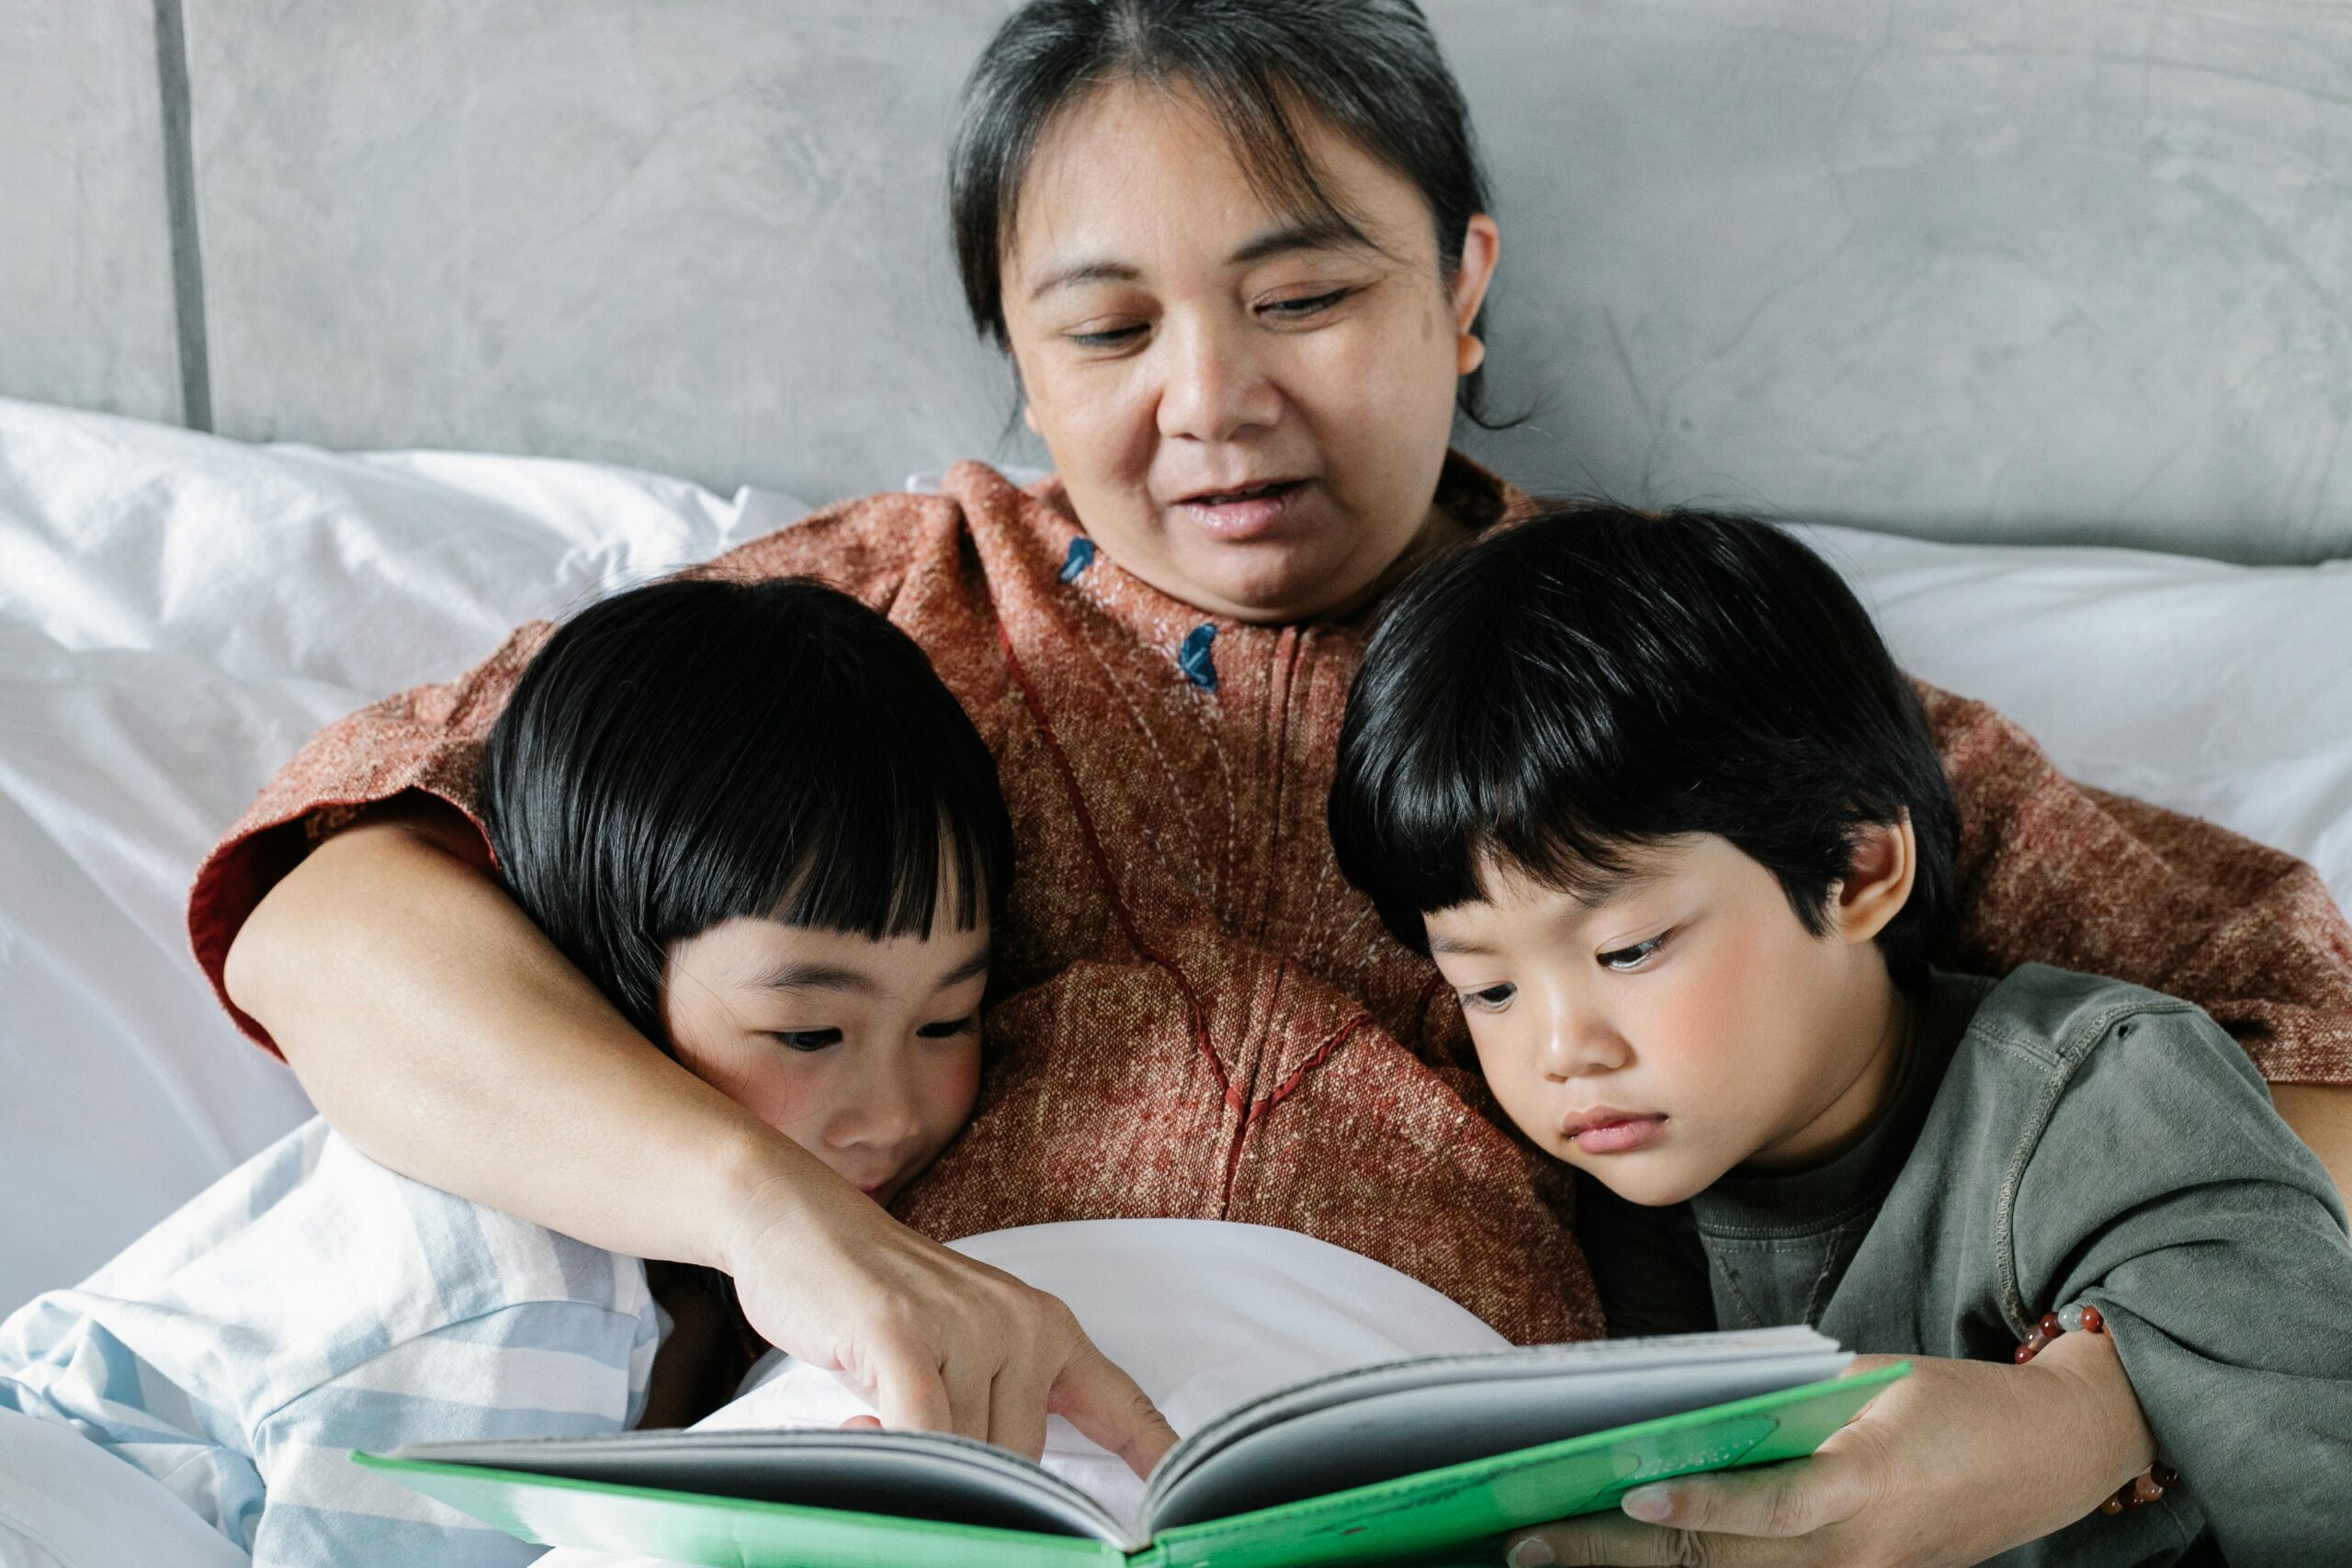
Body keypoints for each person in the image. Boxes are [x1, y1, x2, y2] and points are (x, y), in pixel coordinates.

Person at [189, 1, 2352, 1560]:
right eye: (1107, 331)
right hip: (887, 1445)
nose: (1209, 402)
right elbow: (338, 906)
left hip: (1451, 1466)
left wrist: (2083, 1415)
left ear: (1463, 285)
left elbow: (2296, 1045)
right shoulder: (858, 616)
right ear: (1014, 353)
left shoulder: (1661, 679)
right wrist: (787, 1228)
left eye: (1304, 293)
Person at [0, 577, 1138, 1566]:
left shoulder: (665, 1290)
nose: (893, 1112)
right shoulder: (524, 1300)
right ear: (605, 974)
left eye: (948, 1021)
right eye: (806, 1033)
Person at [1326, 506, 2352, 1565]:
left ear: (1858, 870)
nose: (1560, 1049)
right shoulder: (1610, 1216)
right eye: (1487, 989)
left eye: (1627, 951)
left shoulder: (2107, 1101)